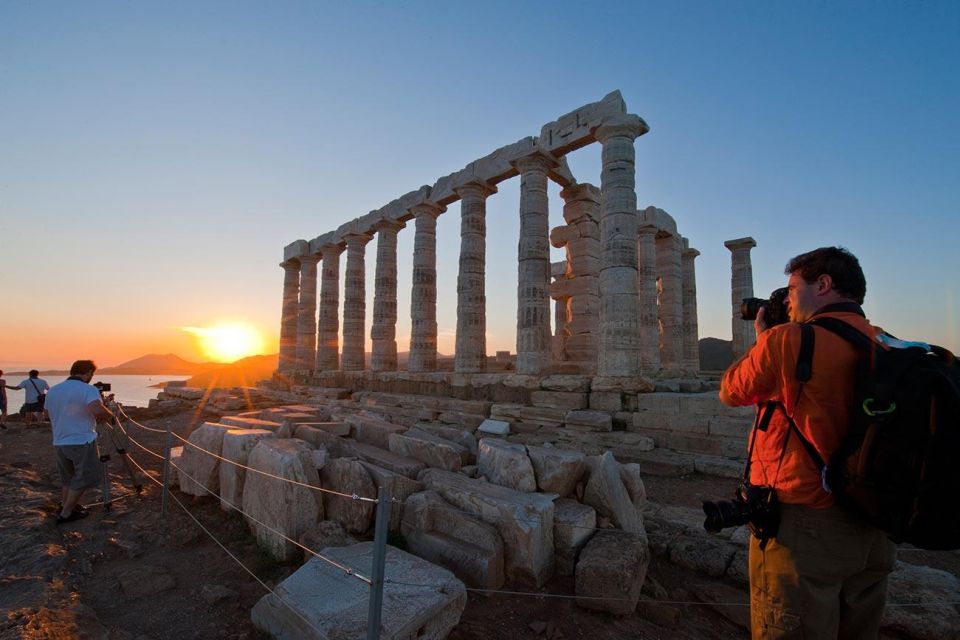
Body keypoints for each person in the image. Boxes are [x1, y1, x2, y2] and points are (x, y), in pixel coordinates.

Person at [719, 247, 896, 639]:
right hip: (876, 523)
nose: (788, 299)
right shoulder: (883, 343)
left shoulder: (787, 341)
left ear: (824, 284)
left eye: (792, 289)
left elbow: (732, 391)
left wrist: (764, 338)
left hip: (807, 521)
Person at [45, 360, 114, 524]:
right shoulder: (88, 389)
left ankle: (66, 505)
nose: (91, 377)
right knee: (85, 476)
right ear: (88, 372)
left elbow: (47, 414)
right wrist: (111, 415)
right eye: (92, 374)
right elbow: (97, 410)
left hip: (60, 440)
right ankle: (66, 513)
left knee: (68, 477)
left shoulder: (54, 390)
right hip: (82, 440)